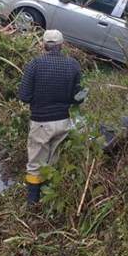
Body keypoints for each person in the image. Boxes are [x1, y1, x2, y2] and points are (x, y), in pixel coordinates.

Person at [17, 29, 85, 205]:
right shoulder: (73, 65)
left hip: (41, 123)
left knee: (35, 164)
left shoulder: (35, 64)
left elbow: (24, 96)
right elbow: (79, 96)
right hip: (64, 122)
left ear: (43, 45)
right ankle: (50, 201)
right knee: (53, 162)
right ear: (62, 45)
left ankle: (32, 203)